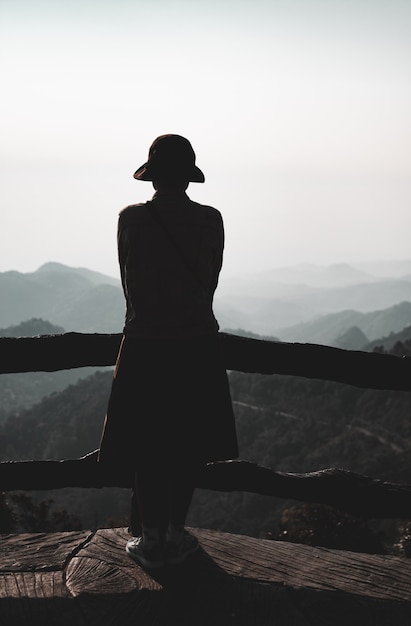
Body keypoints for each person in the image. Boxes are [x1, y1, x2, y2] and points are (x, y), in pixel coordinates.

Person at [98, 134, 239, 568]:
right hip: (196, 343)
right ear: (188, 177)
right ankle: (176, 535)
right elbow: (209, 281)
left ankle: (151, 537)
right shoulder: (210, 220)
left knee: (145, 440)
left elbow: (129, 284)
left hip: (145, 344)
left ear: (153, 175)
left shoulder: (131, 221)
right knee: (188, 440)